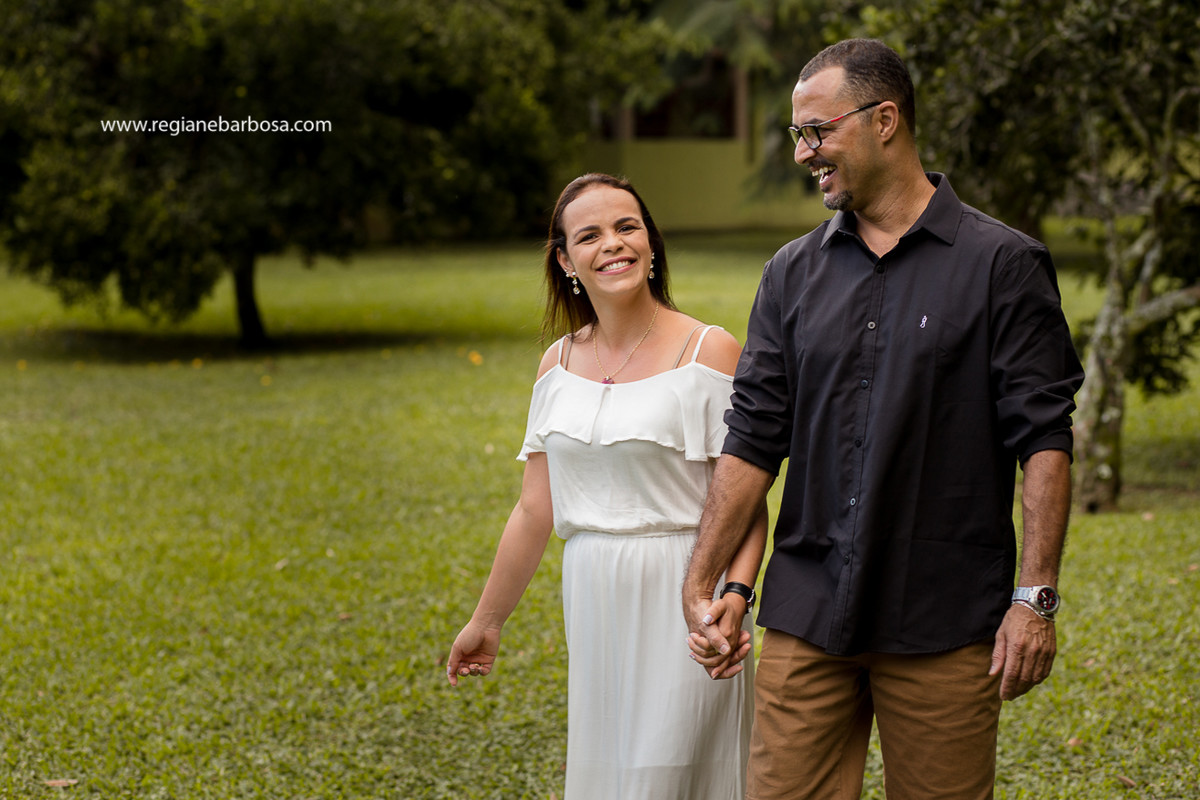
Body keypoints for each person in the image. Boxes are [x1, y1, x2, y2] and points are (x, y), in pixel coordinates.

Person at [682, 39, 1085, 799]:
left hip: (943, 617)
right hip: (807, 613)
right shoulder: (790, 273)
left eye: (817, 131)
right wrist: (702, 581)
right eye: (799, 135)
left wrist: (1034, 599)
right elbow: (754, 437)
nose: (804, 153)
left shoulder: (1004, 264)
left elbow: (1043, 439)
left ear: (886, 119)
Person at [447, 173, 768, 799]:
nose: (613, 245)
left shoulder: (710, 351)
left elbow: (745, 501)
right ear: (566, 261)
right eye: (589, 235)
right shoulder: (557, 364)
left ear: (649, 242)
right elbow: (533, 509)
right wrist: (488, 621)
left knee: (674, 779)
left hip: (685, 592)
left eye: (626, 227)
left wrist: (733, 594)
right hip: (593, 595)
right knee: (613, 780)